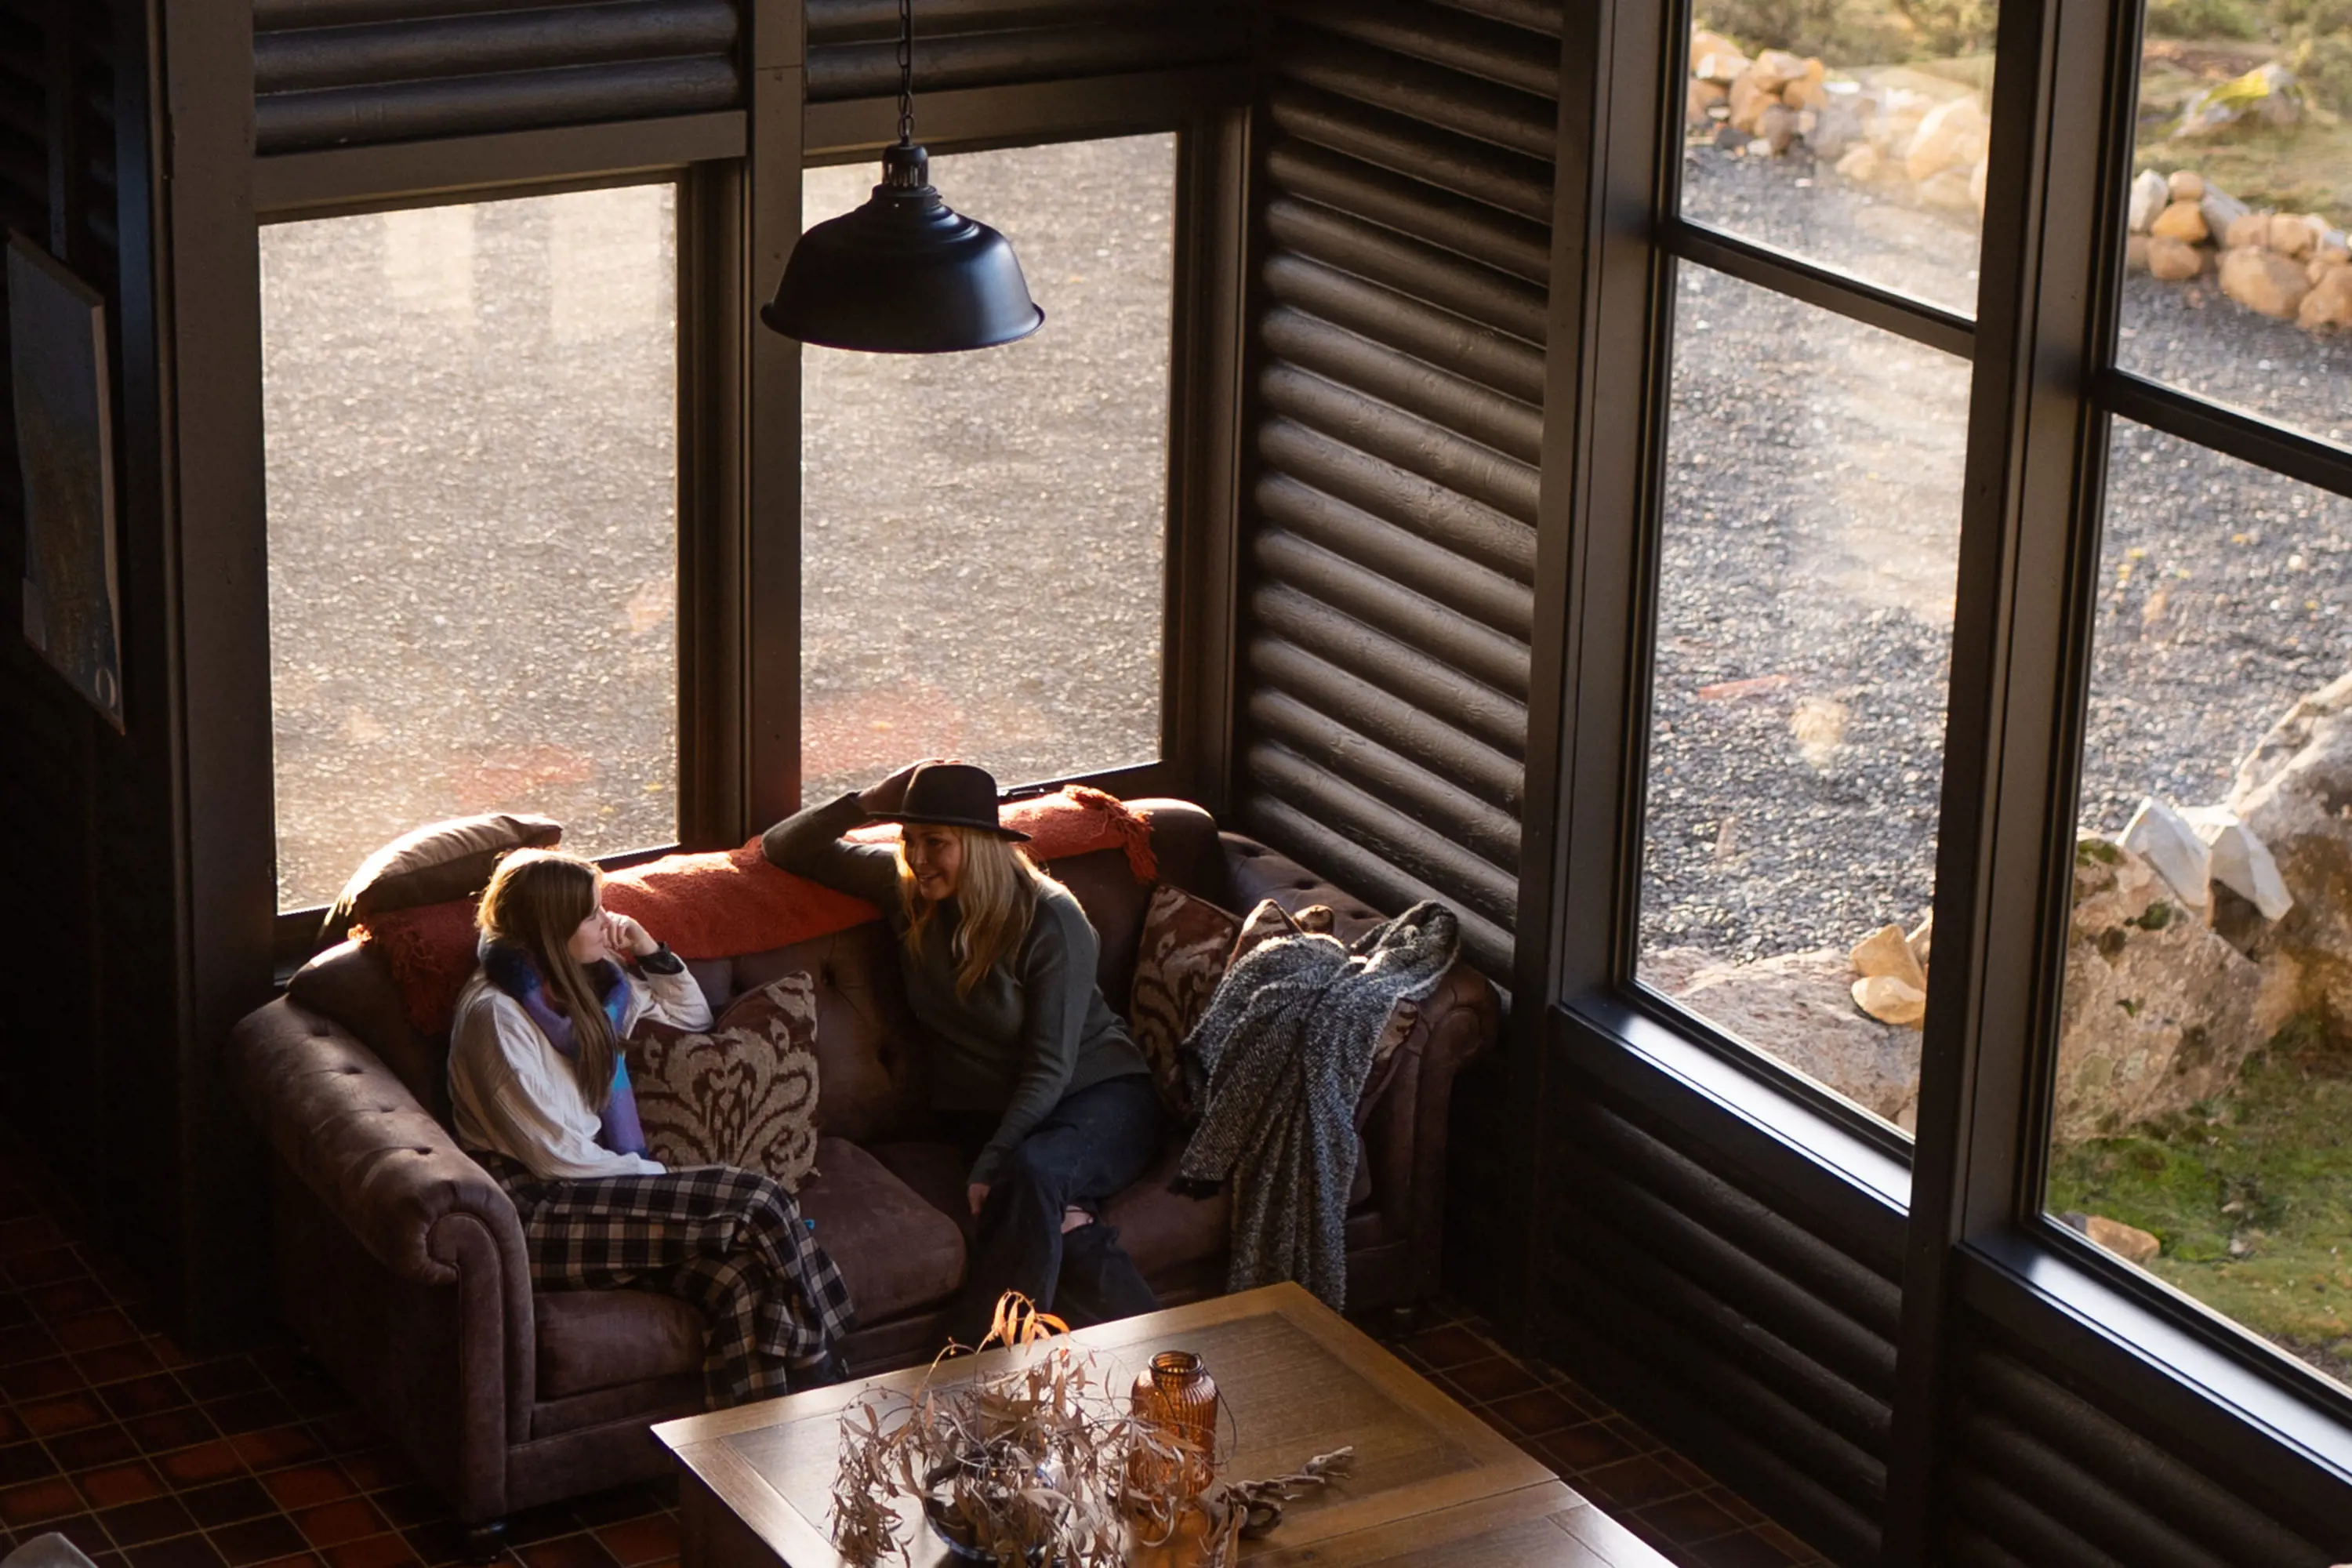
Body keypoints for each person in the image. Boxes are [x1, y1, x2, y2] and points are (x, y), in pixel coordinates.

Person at [764, 760, 1164, 1347]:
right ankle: (1174, 1366)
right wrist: (865, 801)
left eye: (936, 843)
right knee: (1058, 1221)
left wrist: (992, 1163)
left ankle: (981, 1360)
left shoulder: (1051, 918)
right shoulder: (907, 888)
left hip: (1098, 1098)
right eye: (909, 839)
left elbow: (1049, 1068)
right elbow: (784, 846)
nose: (918, 857)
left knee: (1032, 1176)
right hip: (995, 1115)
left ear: (978, 846)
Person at [446, 848, 853, 1404]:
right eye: (592, 914)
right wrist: (664, 1183)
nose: (606, 921)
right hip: (533, 1211)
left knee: (741, 1281)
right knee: (759, 1201)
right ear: (552, 930)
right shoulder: (497, 1016)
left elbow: (691, 1020)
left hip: (590, 1187)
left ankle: (751, 1443)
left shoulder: (589, 991)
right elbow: (556, 1156)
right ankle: (829, 1372)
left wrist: (648, 949)